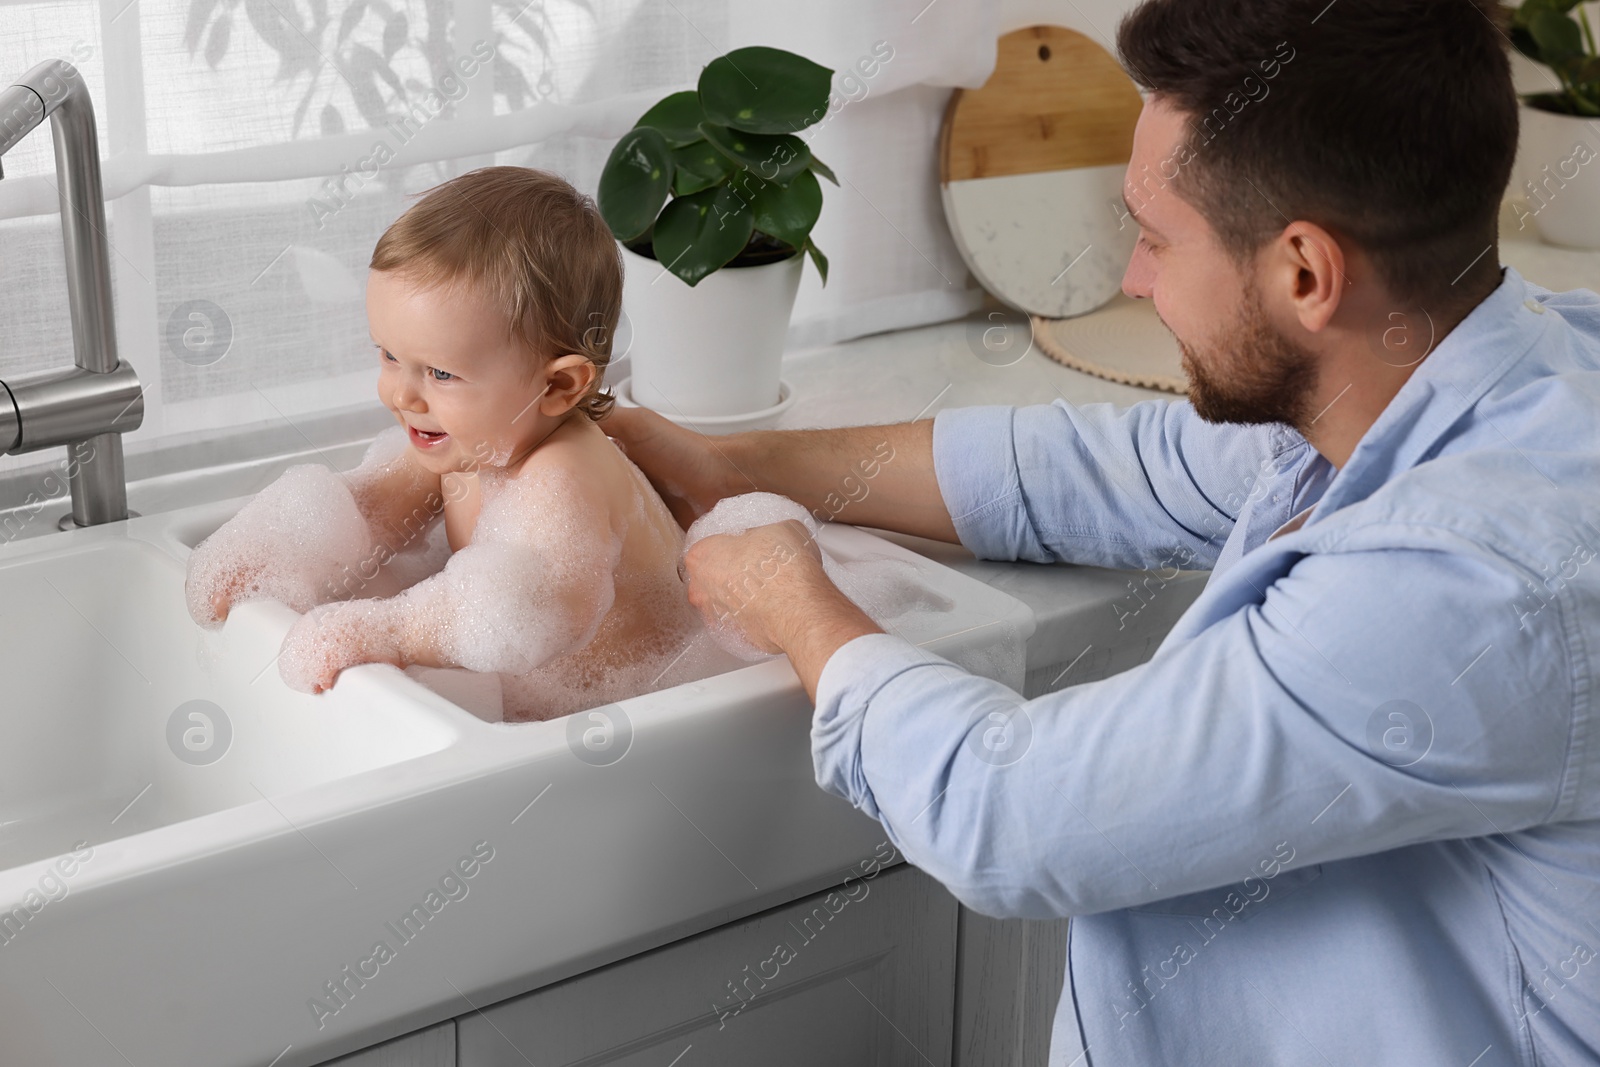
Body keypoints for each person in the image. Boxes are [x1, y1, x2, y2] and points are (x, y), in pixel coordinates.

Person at [600, 0, 1600, 1063]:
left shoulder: (1473, 584)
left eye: (1156, 236)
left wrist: (794, 601)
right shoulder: (1484, 363)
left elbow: (1011, 812)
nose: (1132, 277)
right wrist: (735, 466)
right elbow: (1122, 468)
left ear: (1305, 272)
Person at [186, 166, 727, 721]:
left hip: (639, 706)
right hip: (536, 696)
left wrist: (391, 631)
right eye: (390, 355)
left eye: (441, 374)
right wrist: (263, 555)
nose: (402, 394)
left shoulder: (562, 472)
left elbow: (543, 605)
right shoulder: (467, 442)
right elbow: (370, 508)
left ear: (558, 386)